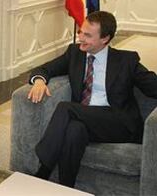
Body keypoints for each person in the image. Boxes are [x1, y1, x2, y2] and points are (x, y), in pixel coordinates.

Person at [27, 11, 157, 187]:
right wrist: (40, 81)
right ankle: (66, 189)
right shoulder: (75, 53)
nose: (80, 37)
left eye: (87, 35)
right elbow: (45, 69)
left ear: (105, 39)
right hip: (86, 119)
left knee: (66, 108)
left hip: (119, 122)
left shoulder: (126, 60)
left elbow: (152, 85)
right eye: (81, 32)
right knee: (74, 130)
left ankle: (43, 171)